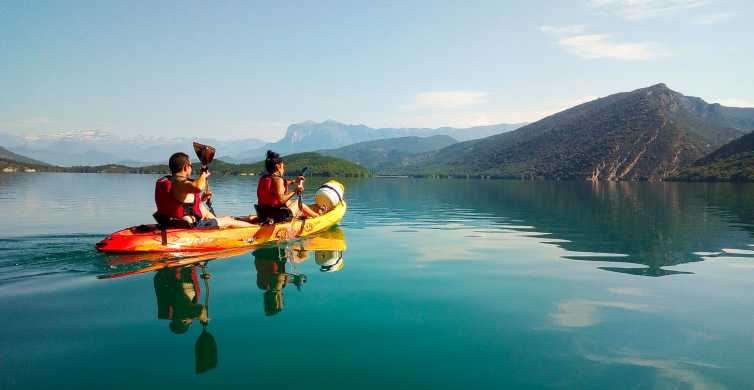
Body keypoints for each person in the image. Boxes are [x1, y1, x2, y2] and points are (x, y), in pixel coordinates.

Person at [154, 152, 253, 228]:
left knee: (224, 217)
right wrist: (203, 175)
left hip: (172, 222)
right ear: (185, 167)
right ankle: (256, 229)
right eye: (191, 166)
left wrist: (201, 200)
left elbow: (180, 204)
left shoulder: (170, 181)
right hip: (186, 226)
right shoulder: (179, 182)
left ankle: (247, 222)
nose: (191, 168)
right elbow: (197, 187)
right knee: (228, 221)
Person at [256, 150, 320, 221]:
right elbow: (281, 200)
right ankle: (318, 217)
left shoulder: (263, 178)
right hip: (276, 217)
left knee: (288, 202)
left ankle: (309, 216)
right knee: (297, 203)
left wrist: (295, 181)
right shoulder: (278, 180)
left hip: (262, 214)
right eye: (283, 166)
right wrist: (295, 190)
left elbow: (282, 183)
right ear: (278, 166)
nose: (283, 169)